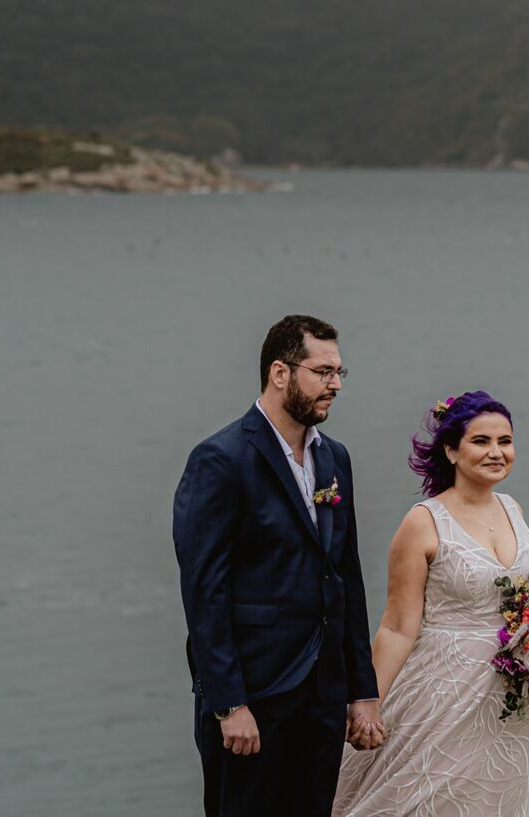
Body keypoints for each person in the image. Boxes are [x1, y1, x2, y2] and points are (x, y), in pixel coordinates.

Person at [173, 315, 386, 817]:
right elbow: (204, 594)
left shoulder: (334, 459)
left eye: (340, 372)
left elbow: (345, 578)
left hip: (322, 697)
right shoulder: (220, 460)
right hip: (253, 698)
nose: (335, 384)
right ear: (280, 372)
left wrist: (362, 690)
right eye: (323, 371)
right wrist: (228, 703)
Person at [332, 391, 529, 816]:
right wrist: (366, 701)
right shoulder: (424, 521)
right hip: (442, 694)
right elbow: (396, 627)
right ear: (451, 450)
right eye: (481, 441)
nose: (496, 452)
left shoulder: (514, 510)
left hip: (512, 701)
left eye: (505, 441)